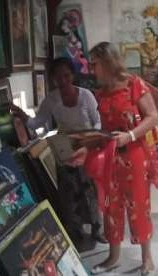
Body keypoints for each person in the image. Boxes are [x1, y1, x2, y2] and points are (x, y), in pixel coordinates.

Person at [68, 41, 158, 275]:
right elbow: (104, 133)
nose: (91, 69)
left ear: (108, 62)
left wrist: (129, 135)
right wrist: (85, 149)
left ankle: (147, 258)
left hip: (135, 157)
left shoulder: (133, 84)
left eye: (95, 64)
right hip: (109, 159)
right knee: (110, 207)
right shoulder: (101, 93)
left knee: (139, 206)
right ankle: (114, 256)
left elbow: (152, 117)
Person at [10, 57, 105, 246]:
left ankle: (97, 229)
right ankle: (75, 232)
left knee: (91, 191)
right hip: (65, 148)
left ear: (72, 75)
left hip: (88, 146)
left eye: (66, 75)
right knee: (69, 193)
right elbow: (37, 123)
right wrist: (21, 114)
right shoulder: (51, 100)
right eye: (57, 77)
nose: (62, 80)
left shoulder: (86, 96)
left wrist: (91, 139)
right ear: (52, 78)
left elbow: (98, 121)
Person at [120, 5, 158, 87]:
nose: (145, 37)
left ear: (155, 36)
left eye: (148, 34)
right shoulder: (140, 46)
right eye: (144, 34)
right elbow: (123, 46)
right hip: (145, 85)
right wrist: (122, 64)